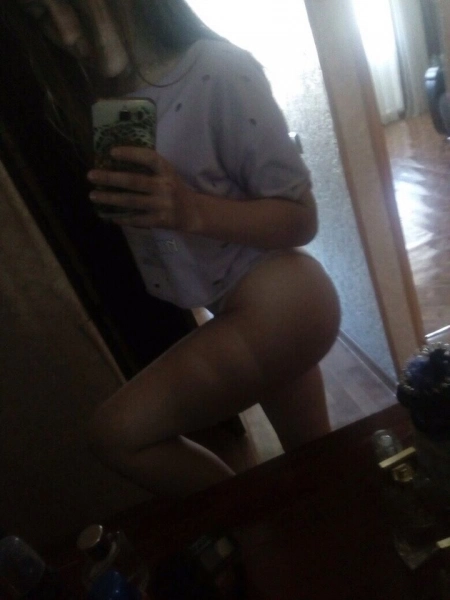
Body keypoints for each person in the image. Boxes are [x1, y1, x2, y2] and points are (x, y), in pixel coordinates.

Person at [11, 0, 340, 498]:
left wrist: (189, 210)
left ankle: (256, 525)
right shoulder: (96, 102)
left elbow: (301, 219)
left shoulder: (219, 70)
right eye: (41, 16)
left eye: (73, 3)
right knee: (323, 471)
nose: (64, 32)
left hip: (282, 301)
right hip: (241, 305)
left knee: (116, 435)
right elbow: (168, 234)